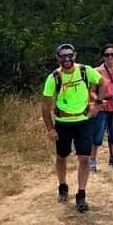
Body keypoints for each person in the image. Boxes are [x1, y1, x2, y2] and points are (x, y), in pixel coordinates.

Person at [41, 44, 103, 213]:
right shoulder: (53, 78)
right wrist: (50, 129)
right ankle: (62, 185)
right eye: (63, 56)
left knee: (84, 158)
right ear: (58, 58)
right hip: (63, 122)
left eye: (70, 56)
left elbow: (101, 81)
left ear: (75, 56)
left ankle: (81, 194)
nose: (67, 59)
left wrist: (97, 103)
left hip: (83, 121)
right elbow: (45, 107)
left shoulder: (85, 71)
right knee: (62, 156)